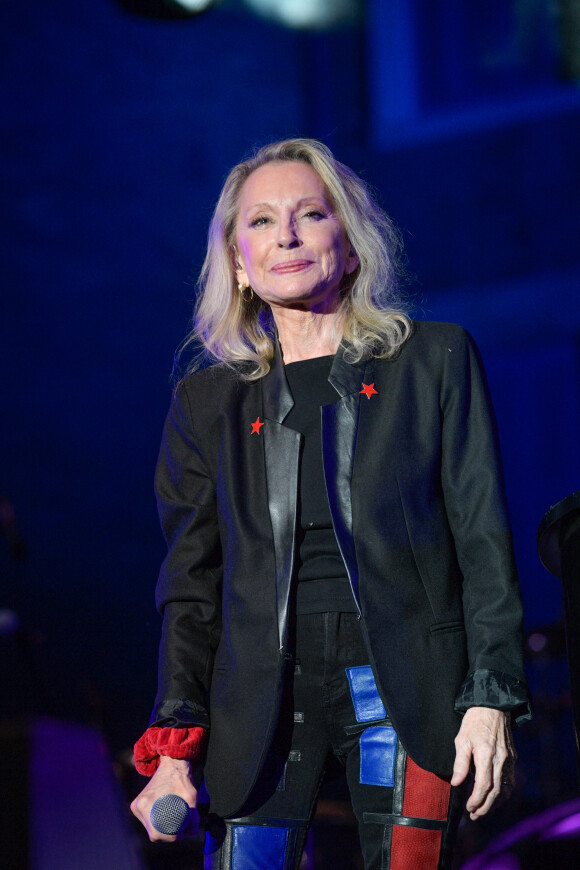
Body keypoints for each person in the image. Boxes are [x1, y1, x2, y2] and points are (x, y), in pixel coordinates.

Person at [130, 138, 531, 869]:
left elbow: (483, 544)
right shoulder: (206, 403)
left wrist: (492, 697)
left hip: (406, 683)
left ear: (350, 246)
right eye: (260, 221)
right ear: (238, 264)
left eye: (310, 214)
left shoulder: (432, 362)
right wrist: (175, 742)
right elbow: (190, 587)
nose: (285, 235)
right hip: (256, 701)